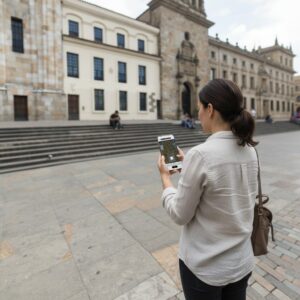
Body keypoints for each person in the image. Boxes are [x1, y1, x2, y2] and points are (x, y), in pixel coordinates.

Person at [157, 79, 258, 300]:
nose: (198, 114)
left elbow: (180, 214)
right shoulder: (249, 149)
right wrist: (190, 169)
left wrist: (166, 180)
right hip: (241, 262)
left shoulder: (201, 154)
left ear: (210, 109)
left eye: (200, 108)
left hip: (206, 269)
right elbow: (221, 188)